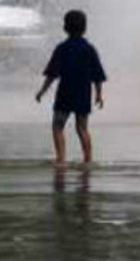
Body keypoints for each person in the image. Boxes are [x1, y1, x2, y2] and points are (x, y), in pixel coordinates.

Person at [36, 10, 107, 164]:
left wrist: (42, 91)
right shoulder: (89, 49)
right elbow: (98, 75)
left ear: (65, 27)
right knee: (82, 128)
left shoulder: (62, 48)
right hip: (83, 93)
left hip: (65, 92)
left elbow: (52, 74)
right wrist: (98, 94)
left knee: (57, 126)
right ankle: (88, 160)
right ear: (85, 28)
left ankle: (61, 159)